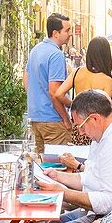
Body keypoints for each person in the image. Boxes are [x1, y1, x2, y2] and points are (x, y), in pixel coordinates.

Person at [35, 90, 112, 217]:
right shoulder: (103, 133)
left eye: (81, 126)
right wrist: (57, 176)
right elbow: (90, 178)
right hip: (98, 214)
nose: (80, 132)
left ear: (95, 118)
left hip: (111, 221)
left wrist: (64, 193)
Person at [24, 13, 74, 152]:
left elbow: (26, 80)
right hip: (53, 119)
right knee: (58, 166)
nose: (70, 34)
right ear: (55, 33)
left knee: (41, 165)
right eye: (67, 30)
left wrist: (37, 99)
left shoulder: (35, 50)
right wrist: (66, 118)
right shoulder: (56, 54)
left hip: (35, 117)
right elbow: (55, 92)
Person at [55, 35, 112, 102]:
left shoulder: (77, 72)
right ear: (107, 56)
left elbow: (58, 94)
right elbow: (106, 109)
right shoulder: (107, 80)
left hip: (79, 111)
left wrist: (72, 105)